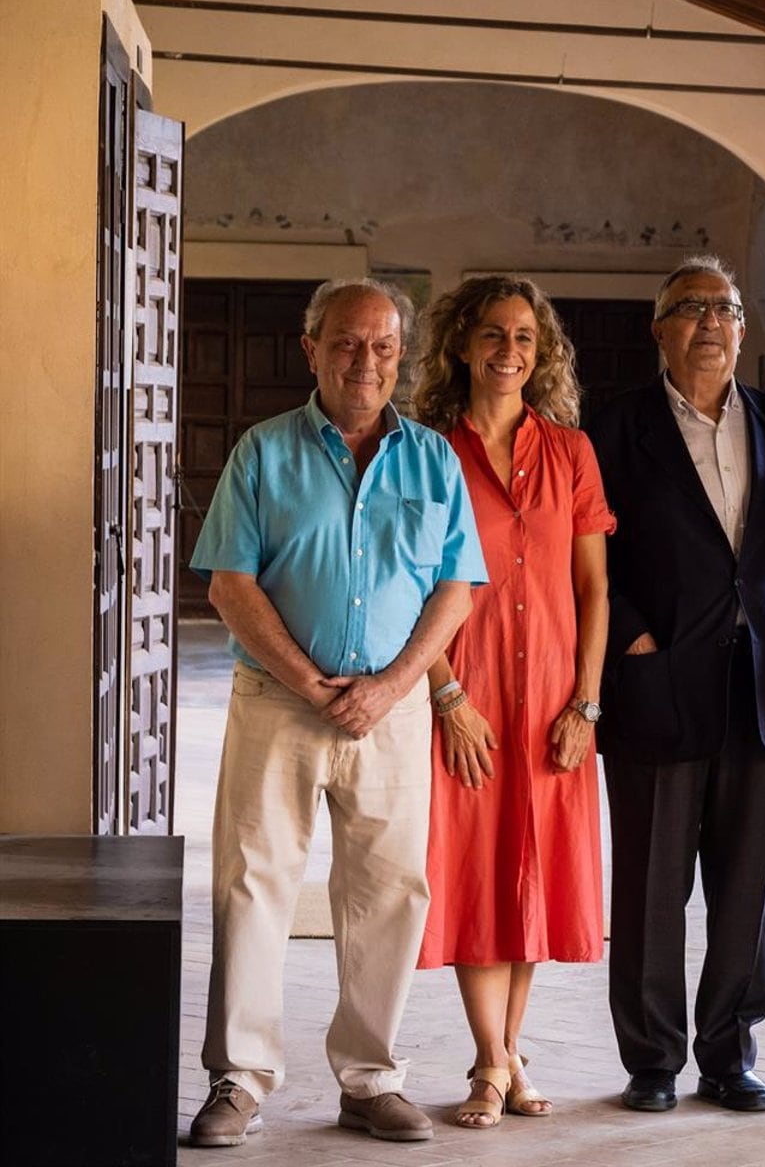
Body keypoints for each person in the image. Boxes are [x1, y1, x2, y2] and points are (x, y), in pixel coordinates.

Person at [187, 278, 486, 1147]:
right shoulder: (262, 452)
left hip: (391, 712)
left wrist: (392, 687)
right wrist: (312, 683)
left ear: (403, 357)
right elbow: (229, 584)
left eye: (385, 347)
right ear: (312, 348)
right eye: (349, 344)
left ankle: (370, 1079)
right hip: (279, 701)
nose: (367, 361)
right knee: (253, 882)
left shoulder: (434, 459)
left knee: (391, 894)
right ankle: (239, 1080)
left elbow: (456, 589)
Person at [589, 256, 765, 1117]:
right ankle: (652, 1059)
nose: (711, 323)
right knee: (651, 884)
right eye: (690, 308)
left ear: (745, 329)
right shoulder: (616, 429)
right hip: (658, 678)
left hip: (763, 678)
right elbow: (593, 551)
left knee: (745, 883)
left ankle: (729, 1054)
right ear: (659, 329)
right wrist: (633, 632)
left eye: (725, 308)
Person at [410, 275, 614, 1129]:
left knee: (532, 879)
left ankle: (501, 1057)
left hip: (555, 706)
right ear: (462, 344)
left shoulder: (570, 453)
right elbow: (409, 583)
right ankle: (496, 1061)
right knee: (477, 875)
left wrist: (587, 706)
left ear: (542, 352)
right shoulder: (425, 451)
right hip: (469, 697)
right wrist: (448, 696)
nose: (509, 350)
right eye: (493, 334)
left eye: (525, 337)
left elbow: (596, 590)